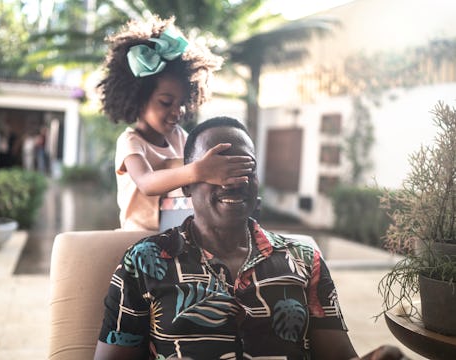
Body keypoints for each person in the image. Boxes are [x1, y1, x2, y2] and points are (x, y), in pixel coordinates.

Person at [94, 117, 408, 360]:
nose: (235, 181)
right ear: (187, 185)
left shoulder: (303, 258)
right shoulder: (144, 262)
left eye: (247, 168)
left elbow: (338, 355)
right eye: (218, 169)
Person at [98, 16, 254, 231]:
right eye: (165, 102)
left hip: (174, 232)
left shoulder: (180, 137)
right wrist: (198, 170)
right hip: (137, 237)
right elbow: (146, 182)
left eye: (181, 104)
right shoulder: (131, 141)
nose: (176, 111)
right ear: (139, 99)